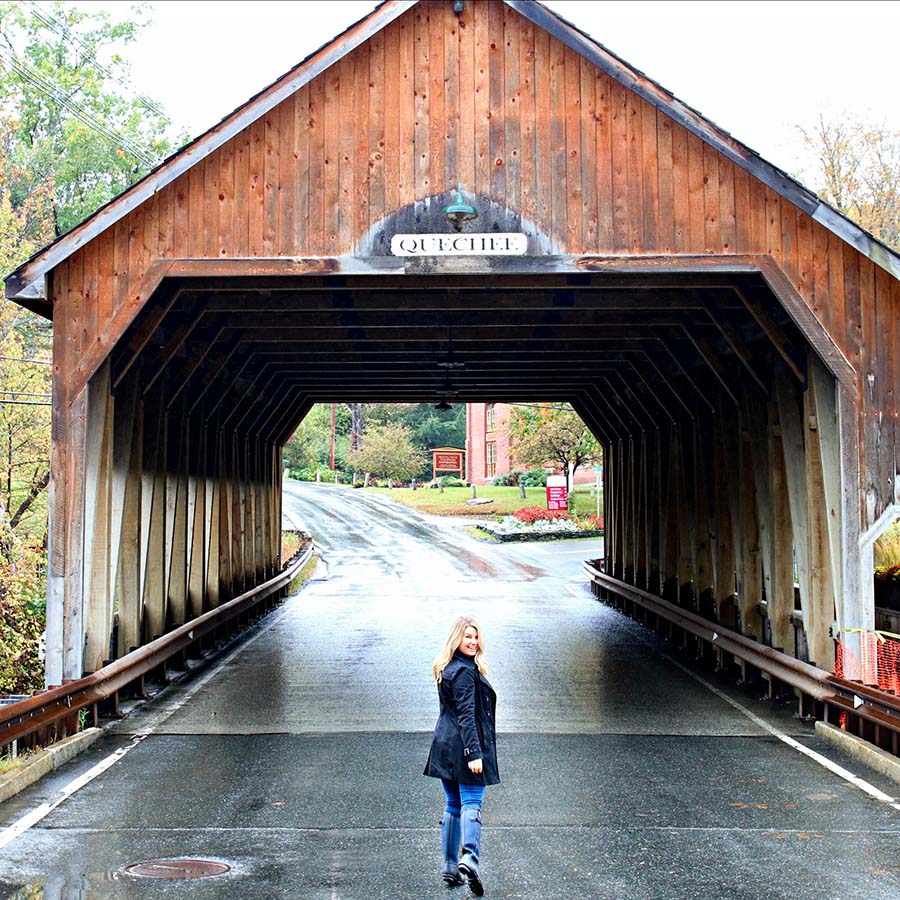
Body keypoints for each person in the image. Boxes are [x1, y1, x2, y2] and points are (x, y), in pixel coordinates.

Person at [423, 616, 499, 896]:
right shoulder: (465, 671)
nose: (473, 642)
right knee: (471, 802)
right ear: (457, 639)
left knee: (453, 803)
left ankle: (450, 866)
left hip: (443, 745)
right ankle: (470, 859)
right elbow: (467, 716)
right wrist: (474, 753)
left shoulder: (448, 667)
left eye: (476, 637)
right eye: (468, 637)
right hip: (464, 746)